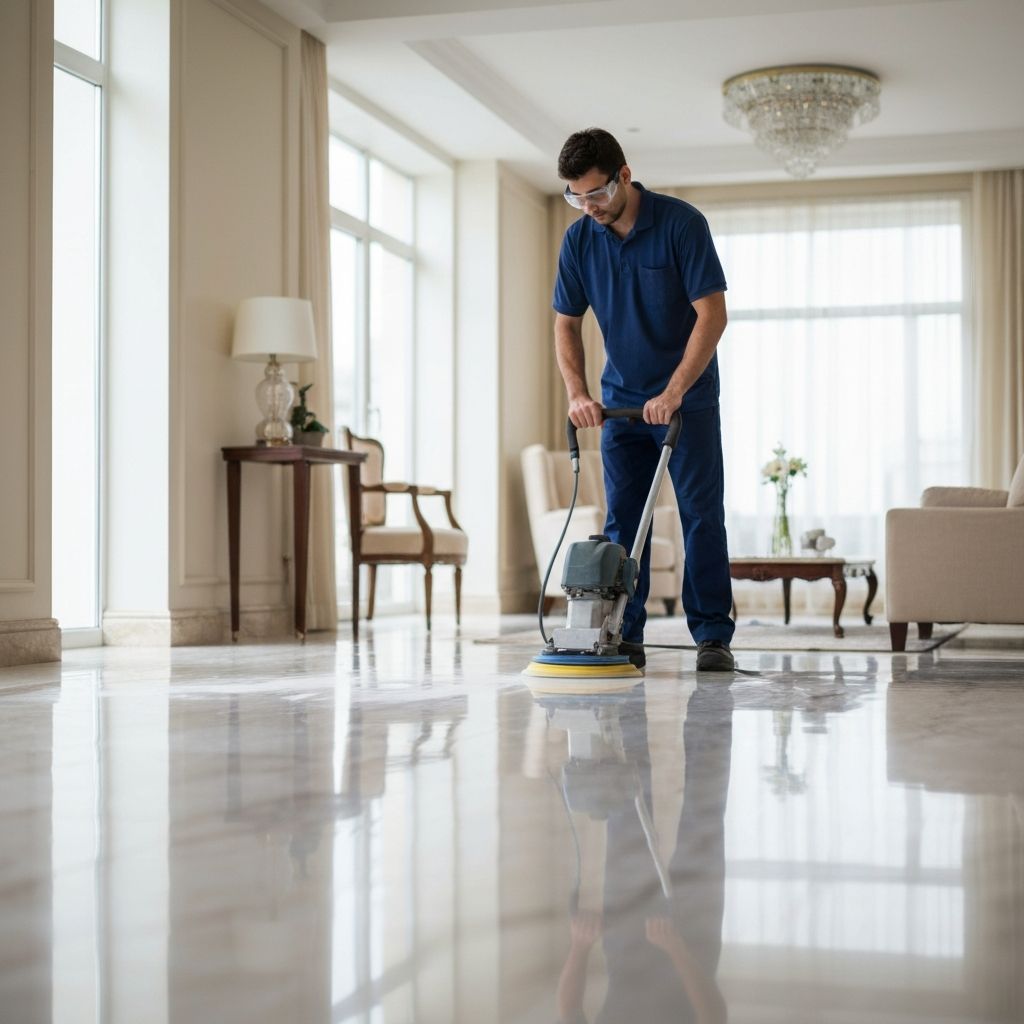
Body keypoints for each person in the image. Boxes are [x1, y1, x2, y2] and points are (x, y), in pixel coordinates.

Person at [552, 127, 735, 672]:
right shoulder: (579, 239)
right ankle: (622, 630)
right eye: (576, 197)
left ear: (624, 175)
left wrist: (674, 391)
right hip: (622, 406)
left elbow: (713, 314)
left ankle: (711, 637)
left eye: (598, 194)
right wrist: (578, 394)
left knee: (702, 515)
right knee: (625, 523)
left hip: (687, 401)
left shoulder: (681, 224)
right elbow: (566, 325)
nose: (589, 207)